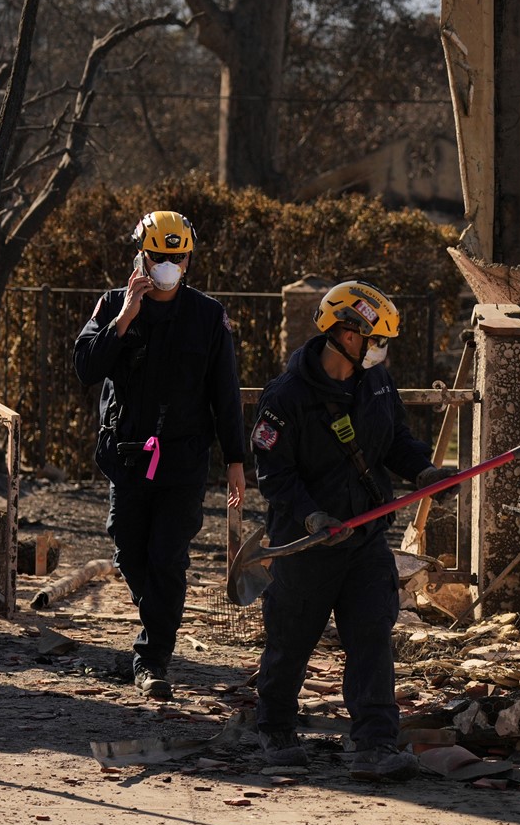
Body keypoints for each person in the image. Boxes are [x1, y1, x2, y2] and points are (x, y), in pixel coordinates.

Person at [249, 280, 453, 781]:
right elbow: (274, 474)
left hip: (365, 541)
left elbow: (395, 440)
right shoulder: (286, 397)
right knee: (291, 640)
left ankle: (375, 744)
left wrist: (424, 473)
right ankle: (275, 727)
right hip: (307, 544)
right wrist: (312, 516)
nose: (380, 349)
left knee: (371, 636)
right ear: (344, 334)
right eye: (374, 339)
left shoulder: (376, 381)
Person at [74, 211, 246, 700]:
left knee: (168, 559)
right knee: (130, 551)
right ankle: (160, 617)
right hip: (125, 458)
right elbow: (86, 367)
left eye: (177, 257)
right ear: (140, 257)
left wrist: (236, 461)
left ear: (189, 259)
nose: (169, 265)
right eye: (158, 257)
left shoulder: (208, 316)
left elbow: (225, 392)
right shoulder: (112, 305)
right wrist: (125, 317)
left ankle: (152, 660)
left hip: (183, 463)